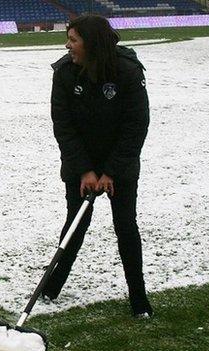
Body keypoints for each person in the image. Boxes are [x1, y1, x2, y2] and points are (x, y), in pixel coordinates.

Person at [44, 15, 153, 318]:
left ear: (91, 43)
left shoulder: (127, 71)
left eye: (74, 40)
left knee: (125, 226)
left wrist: (111, 172)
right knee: (76, 223)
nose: (68, 45)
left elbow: (136, 126)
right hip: (82, 164)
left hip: (120, 164)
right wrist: (85, 170)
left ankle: (138, 298)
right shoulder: (64, 72)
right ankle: (52, 286)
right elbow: (63, 125)